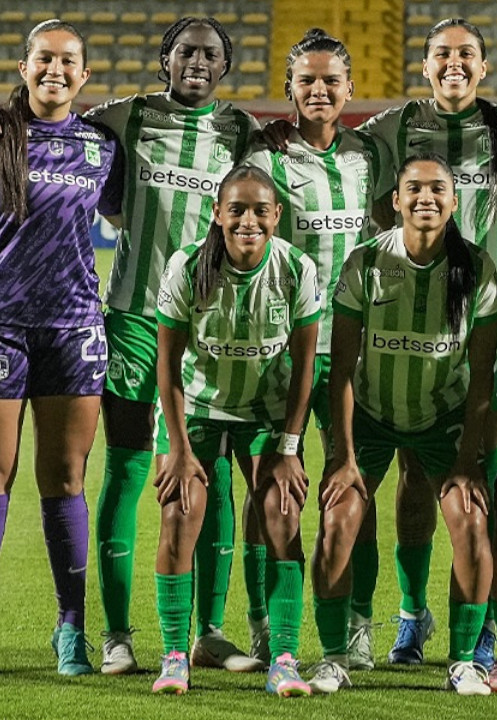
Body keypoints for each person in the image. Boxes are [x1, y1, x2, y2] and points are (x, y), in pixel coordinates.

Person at [353, 19, 497, 668]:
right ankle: (413, 615)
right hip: (408, 326)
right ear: (426, 64)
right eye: (443, 53)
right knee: (411, 478)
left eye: (467, 54)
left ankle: (481, 619)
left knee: (476, 477)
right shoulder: (391, 127)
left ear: (484, 68)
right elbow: (334, 154)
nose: (455, 63)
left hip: (486, 323)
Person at [85, 15, 262, 674]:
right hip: (134, 320)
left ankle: (210, 631)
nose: (196, 61)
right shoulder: (125, 118)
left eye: (210, 53)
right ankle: (117, 635)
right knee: (131, 470)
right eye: (185, 50)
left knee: (210, 475)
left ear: (224, 66)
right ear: (164, 59)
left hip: (214, 332)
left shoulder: (240, 132)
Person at [311, 155, 497, 695]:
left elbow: (482, 375)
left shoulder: (478, 268)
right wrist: (343, 457)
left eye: (438, 188)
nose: (425, 197)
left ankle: (464, 660)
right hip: (371, 416)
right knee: (337, 521)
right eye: (413, 188)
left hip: (442, 419)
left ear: (454, 200)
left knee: (469, 521)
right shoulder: (367, 261)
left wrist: (469, 458)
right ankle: (333, 656)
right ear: (394, 200)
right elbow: (341, 369)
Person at [242, 28, 395, 670]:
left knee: (349, 488)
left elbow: (392, 224)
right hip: (276, 351)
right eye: (307, 79)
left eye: (331, 79)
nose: (320, 89)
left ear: (350, 89)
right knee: (265, 492)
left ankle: (357, 622)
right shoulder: (266, 159)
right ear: (289, 90)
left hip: (354, 351)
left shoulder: (368, 155)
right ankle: (260, 622)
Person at [150, 165, 321, 696]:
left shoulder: (296, 267)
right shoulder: (188, 266)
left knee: (282, 512)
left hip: (267, 413)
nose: (248, 220)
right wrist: (177, 447)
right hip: (197, 410)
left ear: (277, 216)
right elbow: (168, 363)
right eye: (237, 209)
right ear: (219, 214)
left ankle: (284, 657)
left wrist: (291, 447)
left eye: (260, 210)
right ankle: (176, 655)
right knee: (182, 512)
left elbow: (305, 364)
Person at [0, 18, 123, 676]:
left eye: (67, 61)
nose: (55, 69)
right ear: (23, 68)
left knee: (66, 477)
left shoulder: (100, 147)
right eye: (43, 59)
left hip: (74, 326)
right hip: (2, 323)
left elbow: (135, 220)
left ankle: (70, 629)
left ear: (84, 75)